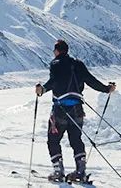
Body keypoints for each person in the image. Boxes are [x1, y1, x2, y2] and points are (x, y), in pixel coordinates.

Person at [35, 39, 116, 182]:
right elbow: (91, 80)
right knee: (76, 140)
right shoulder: (78, 64)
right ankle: (80, 171)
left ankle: (58, 171)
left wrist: (43, 90)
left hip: (60, 110)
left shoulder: (55, 64)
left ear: (57, 51)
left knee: (53, 140)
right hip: (77, 110)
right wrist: (106, 88)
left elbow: (54, 81)